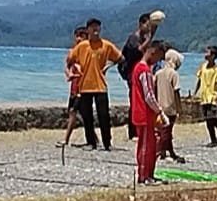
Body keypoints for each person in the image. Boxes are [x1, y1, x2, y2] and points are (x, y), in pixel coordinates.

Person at [68, 18, 122, 151]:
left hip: (100, 86)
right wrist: (75, 68)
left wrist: (108, 65)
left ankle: (107, 143)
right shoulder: (82, 46)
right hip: (85, 85)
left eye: (97, 27)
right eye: (92, 28)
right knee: (87, 117)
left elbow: (120, 58)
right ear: (88, 30)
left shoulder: (106, 45)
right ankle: (91, 142)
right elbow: (70, 59)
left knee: (104, 115)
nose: (95, 30)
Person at [131, 41, 168, 186]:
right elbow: (149, 95)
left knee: (149, 145)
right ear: (153, 52)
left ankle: (148, 175)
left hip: (142, 114)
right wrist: (160, 111)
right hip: (144, 114)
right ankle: (144, 176)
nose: (158, 61)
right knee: (146, 147)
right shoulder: (144, 70)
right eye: (159, 57)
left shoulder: (137, 68)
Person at [119, 13, 158, 140]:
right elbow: (139, 50)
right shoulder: (133, 39)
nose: (148, 28)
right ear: (141, 24)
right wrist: (149, 38)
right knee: (135, 101)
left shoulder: (141, 38)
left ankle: (138, 129)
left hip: (139, 73)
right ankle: (133, 131)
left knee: (140, 100)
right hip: (132, 74)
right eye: (147, 25)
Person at [155, 49, 185, 164]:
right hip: (170, 107)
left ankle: (170, 152)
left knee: (164, 131)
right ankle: (161, 152)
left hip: (159, 107)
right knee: (167, 132)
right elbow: (176, 92)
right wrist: (179, 108)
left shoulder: (158, 73)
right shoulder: (174, 74)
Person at [60, 27, 89, 147]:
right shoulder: (72, 52)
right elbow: (66, 66)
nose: (79, 38)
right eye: (77, 36)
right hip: (74, 86)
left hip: (84, 87)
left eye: (82, 36)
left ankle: (66, 139)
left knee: (73, 112)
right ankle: (94, 138)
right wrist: (69, 74)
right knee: (82, 114)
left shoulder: (88, 53)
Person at [195, 45, 217, 147]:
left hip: (212, 96)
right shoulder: (203, 66)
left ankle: (215, 138)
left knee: (211, 118)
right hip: (204, 96)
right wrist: (195, 92)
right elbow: (199, 80)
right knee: (208, 119)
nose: (205, 54)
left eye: (207, 53)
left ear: (213, 56)